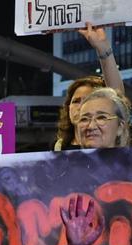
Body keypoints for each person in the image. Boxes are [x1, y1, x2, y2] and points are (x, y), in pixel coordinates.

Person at [52, 23, 124, 151]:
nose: (81, 107)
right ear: (67, 108)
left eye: (87, 100)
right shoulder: (57, 150)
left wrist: (103, 49)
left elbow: (116, 96)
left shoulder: (111, 146)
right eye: (76, 101)